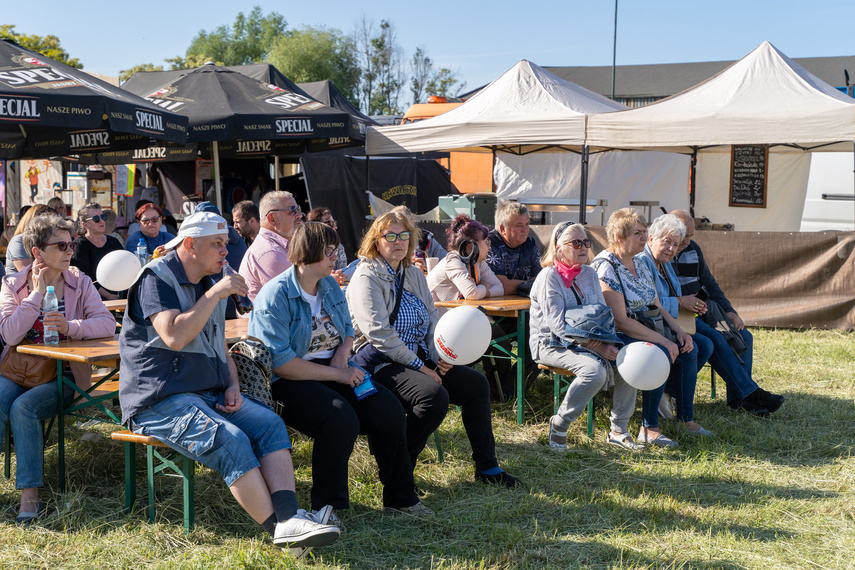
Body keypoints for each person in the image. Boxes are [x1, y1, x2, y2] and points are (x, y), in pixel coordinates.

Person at [118, 211, 340, 554]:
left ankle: (291, 519)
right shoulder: (156, 278)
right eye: (217, 244)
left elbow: (218, 343)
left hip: (208, 392)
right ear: (189, 244)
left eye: (226, 243)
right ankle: (282, 533)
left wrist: (232, 383)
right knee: (232, 441)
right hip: (158, 401)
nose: (226, 251)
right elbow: (174, 336)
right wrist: (216, 294)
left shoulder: (209, 278)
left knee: (270, 424)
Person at [249, 222, 426, 520]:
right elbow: (282, 364)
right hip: (289, 380)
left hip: (337, 367)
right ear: (307, 253)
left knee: (390, 410)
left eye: (336, 250)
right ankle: (327, 508)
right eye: (329, 251)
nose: (335, 258)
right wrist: (338, 374)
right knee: (339, 419)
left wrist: (343, 356)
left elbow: (347, 329)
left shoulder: (328, 284)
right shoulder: (275, 295)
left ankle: (400, 498)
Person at [346, 211, 521, 488]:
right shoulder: (365, 276)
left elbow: (430, 322)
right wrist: (422, 367)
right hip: (380, 363)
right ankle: (399, 467)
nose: (398, 241)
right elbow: (379, 334)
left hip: (418, 358)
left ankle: (487, 468)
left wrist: (438, 355)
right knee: (433, 395)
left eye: (404, 235)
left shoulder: (413, 274)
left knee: (476, 385)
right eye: (389, 236)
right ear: (375, 241)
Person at [0, 213, 116, 524]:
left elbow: (107, 323)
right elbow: (10, 334)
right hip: (20, 371)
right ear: (37, 252)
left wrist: (72, 326)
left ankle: (30, 496)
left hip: (66, 375)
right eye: (61, 245)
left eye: (72, 244)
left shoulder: (81, 282)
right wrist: (36, 294)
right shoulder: (13, 284)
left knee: (23, 408)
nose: (70, 251)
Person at [591, 208, 699, 449]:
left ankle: (685, 419)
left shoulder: (638, 263)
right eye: (638, 233)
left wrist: (678, 331)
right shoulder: (606, 265)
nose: (644, 238)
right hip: (617, 334)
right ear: (619, 237)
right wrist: (663, 341)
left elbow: (656, 304)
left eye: (644, 232)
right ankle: (646, 428)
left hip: (645, 326)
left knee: (689, 348)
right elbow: (620, 320)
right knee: (657, 353)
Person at [529, 222, 635, 449]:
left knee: (629, 362)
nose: (583, 247)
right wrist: (598, 348)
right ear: (559, 249)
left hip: (584, 342)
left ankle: (619, 429)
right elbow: (558, 327)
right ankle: (560, 423)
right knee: (593, 372)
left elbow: (600, 315)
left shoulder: (588, 272)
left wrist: (608, 344)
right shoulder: (549, 277)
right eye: (576, 243)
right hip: (551, 344)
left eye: (586, 242)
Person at [670, 210, 784, 415]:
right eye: (684, 236)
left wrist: (730, 311)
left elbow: (710, 284)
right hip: (682, 316)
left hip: (704, 311)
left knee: (744, 336)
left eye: (690, 236)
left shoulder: (693, 249)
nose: (687, 241)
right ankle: (749, 394)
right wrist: (683, 303)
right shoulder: (663, 253)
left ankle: (738, 398)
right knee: (717, 338)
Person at [638, 215, 715, 431]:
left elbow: (666, 300)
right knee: (690, 349)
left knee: (706, 344)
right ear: (651, 238)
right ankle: (684, 419)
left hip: (665, 322)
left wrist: (689, 307)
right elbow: (648, 303)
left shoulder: (665, 262)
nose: (672, 248)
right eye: (666, 242)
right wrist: (681, 303)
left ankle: (668, 392)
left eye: (675, 244)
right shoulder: (642, 261)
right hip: (648, 325)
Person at [484, 201, 542, 392]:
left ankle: (514, 389)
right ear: (503, 228)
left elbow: (540, 281)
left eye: (527, 224)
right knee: (501, 341)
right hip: (491, 313)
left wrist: (514, 286)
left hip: (522, 310)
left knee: (540, 336)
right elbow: (501, 286)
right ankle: (504, 391)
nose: (525, 229)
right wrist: (526, 285)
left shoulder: (530, 243)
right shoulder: (490, 243)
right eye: (519, 225)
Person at [427, 214, 502, 316]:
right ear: (472, 246)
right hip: (436, 324)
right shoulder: (453, 260)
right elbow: (472, 293)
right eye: (486, 242)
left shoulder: (478, 261)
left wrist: (482, 290)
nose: (489, 248)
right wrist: (484, 285)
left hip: (457, 319)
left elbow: (499, 288)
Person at [239, 191, 301, 301]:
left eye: (298, 209)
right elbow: (296, 297)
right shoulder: (270, 253)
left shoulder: (277, 246)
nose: (299, 215)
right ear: (272, 219)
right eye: (292, 210)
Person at [71, 203, 125, 301]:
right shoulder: (79, 245)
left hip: (117, 294)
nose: (101, 221)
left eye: (103, 217)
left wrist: (119, 293)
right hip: (91, 298)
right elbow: (85, 278)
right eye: (96, 218)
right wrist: (109, 296)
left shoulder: (113, 242)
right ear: (85, 224)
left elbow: (124, 267)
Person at [5, 205, 53, 275]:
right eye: (49, 221)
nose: (53, 225)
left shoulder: (47, 241)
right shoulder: (19, 241)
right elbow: (29, 275)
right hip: (21, 285)